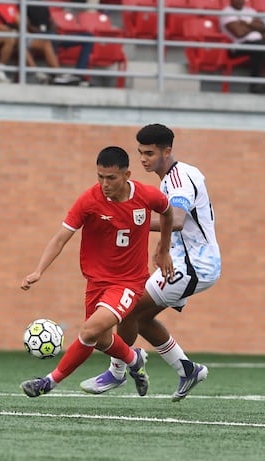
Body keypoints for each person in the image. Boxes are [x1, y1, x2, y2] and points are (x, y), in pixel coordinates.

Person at [80, 124, 222, 401]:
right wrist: (163, 247)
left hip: (195, 265)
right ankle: (186, 368)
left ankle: (118, 370)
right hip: (184, 262)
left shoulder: (180, 178)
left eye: (149, 153)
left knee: (129, 307)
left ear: (166, 151)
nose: (144, 159)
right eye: (140, 153)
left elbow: (177, 219)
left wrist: (132, 223)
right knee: (141, 317)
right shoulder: (171, 178)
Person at [20, 146, 175, 398]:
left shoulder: (147, 196)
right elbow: (61, 238)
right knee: (102, 340)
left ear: (127, 174)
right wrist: (39, 270)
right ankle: (133, 360)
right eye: (100, 177)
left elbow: (168, 212)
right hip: (96, 282)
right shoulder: (89, 201)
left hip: (129, 283)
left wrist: (164, 249)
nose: (104, 184)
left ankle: (48, 382)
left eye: (111, 178)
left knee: (88, 331)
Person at [219, 0, 265, 94]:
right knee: (260, 48)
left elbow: (264, 28)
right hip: (238, 45)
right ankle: (255, 86)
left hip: (259, 41)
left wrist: (246, 24)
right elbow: (239, 33)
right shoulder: (227, 12)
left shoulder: (250, 11)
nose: (240, 1)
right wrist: (253, 25)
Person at [26, 1, 93, 86]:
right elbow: (26, 25)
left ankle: (79, 75)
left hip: (52, 35)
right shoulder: (24, 4)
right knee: (51, 36)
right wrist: (39, 31)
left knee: (88, 37)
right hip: (38, 37)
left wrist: (54, 27)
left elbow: (51, 21)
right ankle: (57, 75)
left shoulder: (43, 5)